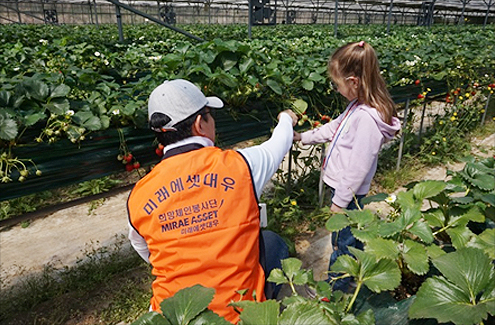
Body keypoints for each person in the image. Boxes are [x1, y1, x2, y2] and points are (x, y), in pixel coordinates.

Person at [127, 79, 298, 323]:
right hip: (236, 314)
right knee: (272, 243)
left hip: (174, 318)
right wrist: (285, 118)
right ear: (199, 124)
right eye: (210, 115)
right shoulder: (242, 166)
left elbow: (146, 251)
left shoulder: (139, 193)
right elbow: (278, 144)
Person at [293, 41, 401, 292]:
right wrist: (303, 137)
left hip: (348, 193)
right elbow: (334, 128)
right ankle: (350, 278)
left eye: (337, 83)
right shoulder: (358, 106)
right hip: (344, 190)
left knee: (343, 243)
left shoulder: (366, 118)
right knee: (348, 238)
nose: (336, 88)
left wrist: (339, 202)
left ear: (353, 81)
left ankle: (338, 290)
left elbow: (358, 167)